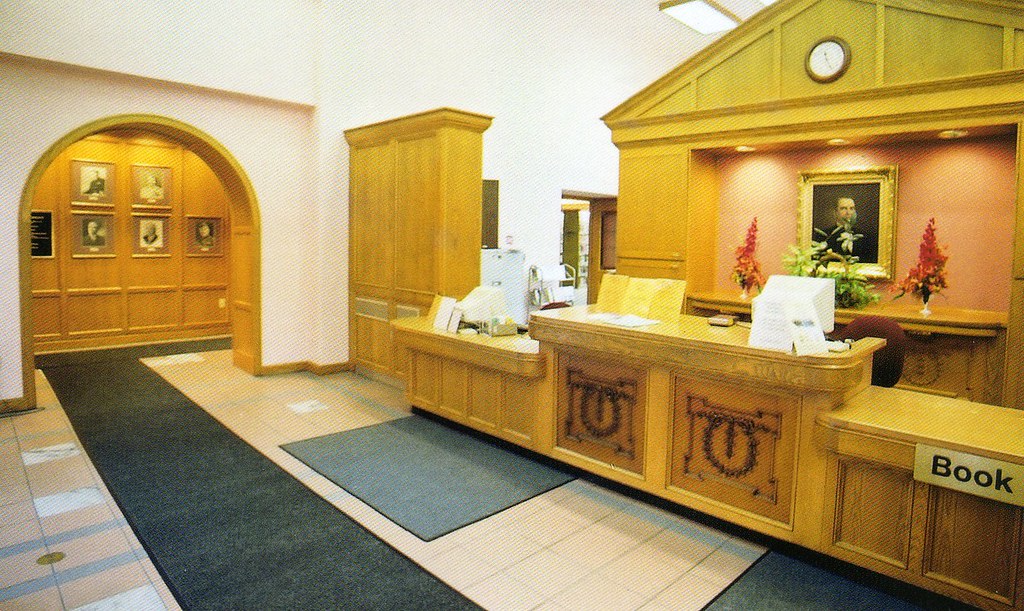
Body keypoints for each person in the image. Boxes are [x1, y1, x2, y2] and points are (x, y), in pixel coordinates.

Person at [818, 197, 877, 263]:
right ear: (835, 212)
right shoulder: (823, 236)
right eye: (843, 208)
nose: (848, 213)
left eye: (851, 208)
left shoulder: (866, 237)